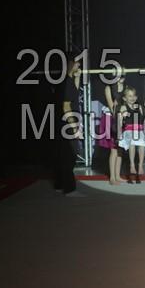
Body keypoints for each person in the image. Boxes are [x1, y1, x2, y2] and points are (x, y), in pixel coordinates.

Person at [56, 55, 85, 197]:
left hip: (66, 122)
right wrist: (74, 128)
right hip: (68, 123)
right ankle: (69, 189)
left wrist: (77, 78)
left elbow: (73, 94)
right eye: (77, 63)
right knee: (70, 156)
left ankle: (60, 185)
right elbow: (66, 106)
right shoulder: (67, 82)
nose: (79, 65)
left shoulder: (67, 80)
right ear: (70, 63)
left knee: (65, 155)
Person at [117, 86, 145, 184]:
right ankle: (132, 165)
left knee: (141, 143)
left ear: (136, 97)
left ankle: (140, 166)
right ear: (125, 98)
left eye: (133, 96)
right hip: (129, 130)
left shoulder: (138, 106)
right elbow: (120, 119)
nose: (132, 98)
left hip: (139, 130)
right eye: (129, 96)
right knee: (132, 141)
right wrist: (122, 116)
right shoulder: (124, 107)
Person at [102, 75, 126, 185]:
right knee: (113, 149)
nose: (121, 78)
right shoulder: (109, 88)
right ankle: (112, 177)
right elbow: (112, 107)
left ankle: (117, 175)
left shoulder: (125, 87)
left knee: (120, 149)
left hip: (121, 118)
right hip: (111, 119)